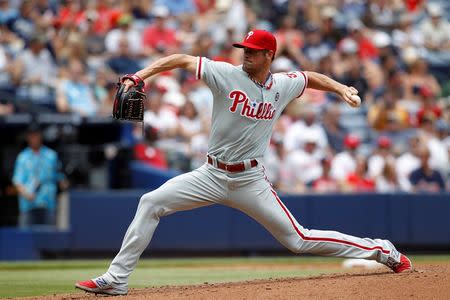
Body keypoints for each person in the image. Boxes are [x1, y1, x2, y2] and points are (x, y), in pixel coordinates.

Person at [75, 29, 412, 296]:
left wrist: (340, 88)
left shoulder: (282, 84)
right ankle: (117, 279)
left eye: (252, 51)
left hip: (251, 181)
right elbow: (180, 59)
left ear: (269, 55)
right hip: (210, 174)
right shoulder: (225, 74)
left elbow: (309, 76)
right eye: (244, 49)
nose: (246, 54)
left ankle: (381, 250)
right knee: (150, 202)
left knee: (299, 240)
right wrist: (140, 76)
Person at [12, 123, 60, 228]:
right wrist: (26, 193)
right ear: (28, 137)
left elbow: (58, 176)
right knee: (25, 239)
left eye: (36, 135)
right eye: (31, 135)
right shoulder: (22, 157)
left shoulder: (51, 155)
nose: (34, 138)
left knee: (49, 239)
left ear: (40, 136)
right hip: (28, 205)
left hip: (47, 202)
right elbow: (17, 181)